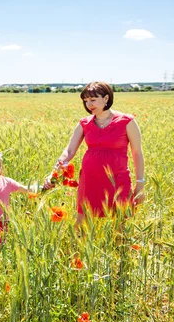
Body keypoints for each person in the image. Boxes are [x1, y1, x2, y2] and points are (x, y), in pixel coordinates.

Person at [43, 81, 145, 227]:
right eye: (85, 101)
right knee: (82, 225)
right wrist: (54, 172)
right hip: (90, 181)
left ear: (106, 98)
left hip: (117, 181)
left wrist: (140, 184)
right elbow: (69, 151)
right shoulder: (84, 123)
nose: (88, 104)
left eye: (93, 100)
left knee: (120, 226)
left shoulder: (127, 121)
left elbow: (137, 153)